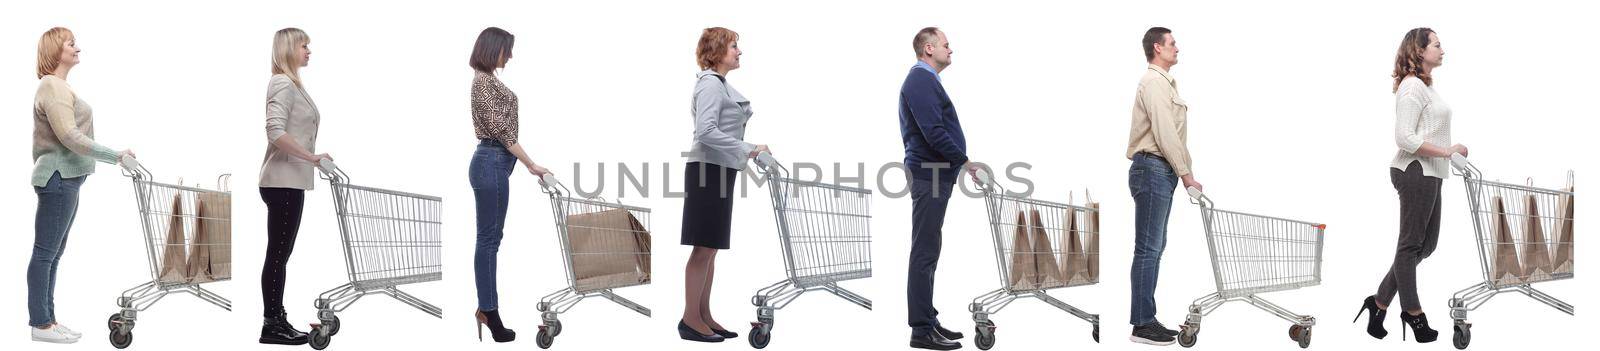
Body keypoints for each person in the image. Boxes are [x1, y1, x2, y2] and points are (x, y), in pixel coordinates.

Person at [28, 26, 135, 344]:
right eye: (71, 44)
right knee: (45, 253)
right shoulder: (52, 86)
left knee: (53, 253)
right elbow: (70, 137)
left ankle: (47, 319)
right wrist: (115, 156)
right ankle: (40, 324)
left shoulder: (59, 87)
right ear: (55, 50)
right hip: (58, 177)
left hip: (66, 179)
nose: (77, 48)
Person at [1354, 27, 1460, 344]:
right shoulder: (1412, 87)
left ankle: (1379, 302)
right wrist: (1447, 151)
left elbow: (1427, 131)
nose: (1443, 49)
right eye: (1437, 45)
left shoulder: (1426, 87)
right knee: (1411, 245)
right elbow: (1405, 138)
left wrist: (1449, 152)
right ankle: (1413, 314)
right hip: (1415, 171)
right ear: (1420, 50)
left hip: (1431, 172)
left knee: (1425, 246)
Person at [678, 26, 768, 343]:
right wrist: (750, 148)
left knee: (711, 247)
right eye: (733, 46)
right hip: (706, 170)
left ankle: (703, 314)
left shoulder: (720, 85)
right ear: (717, 51)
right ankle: (690, 319)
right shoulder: (711, 86)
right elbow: (705, 131)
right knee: (703, 247)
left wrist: (744, 152)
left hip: (718, 169)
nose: (739, 51)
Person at [900, 26, 984, 351]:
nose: (952, 50)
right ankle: (920, 329)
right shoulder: (920, 80)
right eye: (946, 45)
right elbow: (933, 131)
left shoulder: (928, 80)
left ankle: (928, 318)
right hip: (928, 173)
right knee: (924, 250)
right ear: (928, 49)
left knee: (930, 249)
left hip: (935, 174)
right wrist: (966, 162)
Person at [468, 26, 551, 343]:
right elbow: (502, 133)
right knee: (488, 241)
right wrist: (532, 164)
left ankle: (488, 309)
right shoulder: (483, 83)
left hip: (493, 164)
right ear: (493, 49)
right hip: (491, 162)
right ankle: (489, 311)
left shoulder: (487, 81)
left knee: (490, 240)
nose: (511, 55)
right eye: (507, 49)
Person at [1125, 26, 1200, 346]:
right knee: (1148, 249)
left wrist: (1184, 171)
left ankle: (1146, 318)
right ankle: (1142, 323)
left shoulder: (1164, 82)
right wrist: (1186, 175)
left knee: (1153, 249)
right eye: (1172, 44)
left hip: (1160, 171)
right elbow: (1166, 133)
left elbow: (1174, 136)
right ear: (1157, 47)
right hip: (1153, 169)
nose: (1177, 48)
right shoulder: (1154, 82)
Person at [258, 27, 329, 346]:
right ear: (288, 48)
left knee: (280, 254)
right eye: (304, 46)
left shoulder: (293, 83)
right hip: (282, 181)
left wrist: (311, 159)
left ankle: (275, 320)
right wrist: (311, 156)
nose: (309, 51)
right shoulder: (282, 82)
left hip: (290, 181)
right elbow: (274, 131)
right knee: (277, 255)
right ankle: (273, 323)